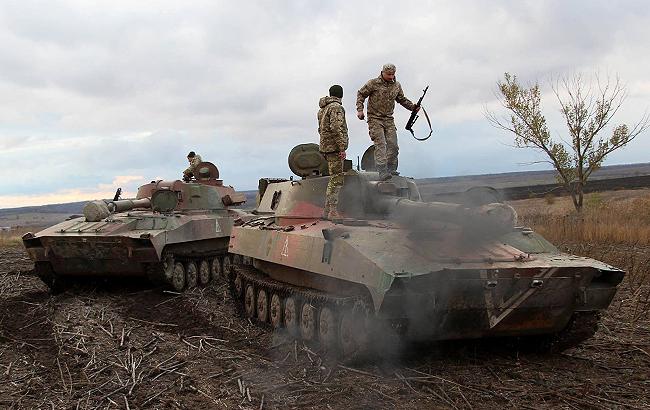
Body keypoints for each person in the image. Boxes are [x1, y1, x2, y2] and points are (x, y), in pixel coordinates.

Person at [356, 63, 419, 180]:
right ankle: (382, 171)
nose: (391, 77)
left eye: (393, 74)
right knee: (381, 144)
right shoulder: (373, 83)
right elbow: (361, 94)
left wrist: (412, 107)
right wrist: (360, 110)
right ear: (383, 73)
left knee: (393, 146)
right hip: (374, 119)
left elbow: (401, 99)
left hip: (389, 119)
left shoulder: (396, 86)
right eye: (389, 74)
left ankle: (391, 168)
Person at [318, 84, 349, 220]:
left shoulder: (323, 109)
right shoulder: (336, 107)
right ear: (341, 95)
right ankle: (332, 211)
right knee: (336, 179)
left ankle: (326, 211)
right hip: (334, 148)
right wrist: (341, 147)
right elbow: (336, 128)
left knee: (333, 178)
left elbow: (320, 129)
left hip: (326, 147)